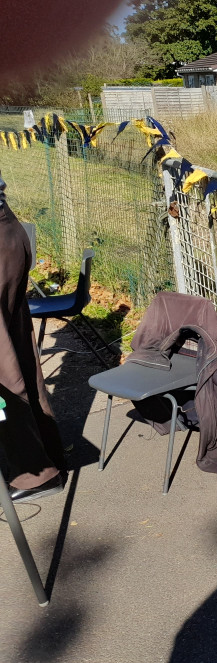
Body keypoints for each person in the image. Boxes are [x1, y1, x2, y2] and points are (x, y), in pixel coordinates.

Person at [0, 173, 67, 501]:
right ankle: (47, 456)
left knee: (6, 371)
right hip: (7, 232)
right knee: (19, 356)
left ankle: (33, 474)